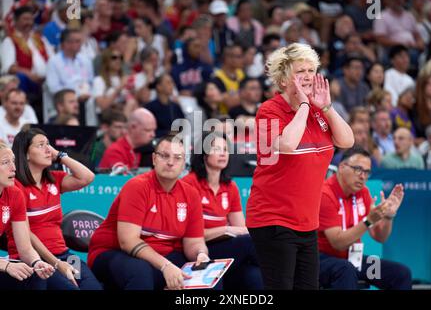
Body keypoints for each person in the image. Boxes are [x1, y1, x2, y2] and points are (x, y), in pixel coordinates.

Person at [246, 43, 354, 290]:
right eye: (300, 71)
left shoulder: (318, 111)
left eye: (311, 70)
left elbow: (347, 140)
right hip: (273, 219)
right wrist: (305, 106)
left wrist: (325, 107)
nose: (308, 76)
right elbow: (288, 144)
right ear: (283, 80)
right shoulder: (269, 110)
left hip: (307, 222)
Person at [88, 134, 212, 290]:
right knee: (141, 272)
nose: (170, 162)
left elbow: (194, 242)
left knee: (206, 275)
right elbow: (128, 242)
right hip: (112, 252)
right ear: (154, 159)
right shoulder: (137, 187)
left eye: (177, 158)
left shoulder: (191, 194)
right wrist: (165, 266)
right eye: (164, 156)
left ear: (184, 164)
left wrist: (200, 254)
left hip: (159, 255)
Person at [10, 128, 102, 290]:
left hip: (63, 254)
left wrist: (60, 155)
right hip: (34, 259)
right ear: (26, 154)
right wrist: (56, 263)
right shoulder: (16, 187)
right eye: (40, 145)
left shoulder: (54, 180)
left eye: (49, 145)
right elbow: (27, 234)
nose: (48, 150)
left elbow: (87, 177)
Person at [318, 146, 412, 290]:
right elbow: (338, 242)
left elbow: (379, 236)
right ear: (342, 167)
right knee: (345, 269)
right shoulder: (326, 194)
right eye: (358, 169)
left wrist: (388, 216)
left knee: (400, 274)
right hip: (322, 260)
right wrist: (368, 221)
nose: (363, 176)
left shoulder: (363, 192)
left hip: (353, 259)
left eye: (367, 172)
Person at [182, 132, 263, 290]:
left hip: (225, 248)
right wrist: (226, 229)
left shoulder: (230, 186)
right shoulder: (188, 184)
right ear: (203, 154)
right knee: (249, 242)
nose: (223, 153)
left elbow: (242, 228)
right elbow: (188, 234)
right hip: (198, 250)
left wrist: (233, 230)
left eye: (226, 149)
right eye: (216, 148)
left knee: (254, 275)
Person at [0, 141, 55, 290]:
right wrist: (6, 265)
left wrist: (37, 262)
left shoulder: (14, 194)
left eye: (13, 161)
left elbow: (25, 248)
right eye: (5, 163)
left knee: (34, 276)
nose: (14, 168)